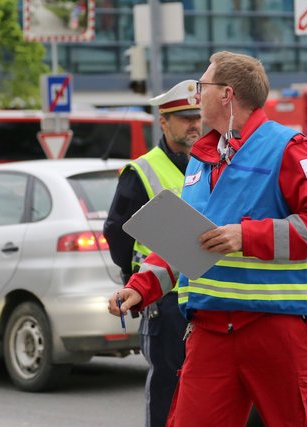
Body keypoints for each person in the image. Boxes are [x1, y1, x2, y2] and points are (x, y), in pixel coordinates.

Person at [108, 51, 307, 427]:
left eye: (203, 85)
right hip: (210, 329)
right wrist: (141, 286)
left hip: (276, 327)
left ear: (227, 94)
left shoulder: (288, 147)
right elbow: (187, 238)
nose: (196, 94)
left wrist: (245, 235)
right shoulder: (202, 159)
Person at [103, 80, 201, 427]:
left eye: (197, 117)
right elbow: (117, 231)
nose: (194, 125)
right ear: (164, 122)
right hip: (165, 300)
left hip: (203, 294)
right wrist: (136, 280)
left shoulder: (206, 164)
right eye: (185, 118)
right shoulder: (142, 170)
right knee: (167, 389)